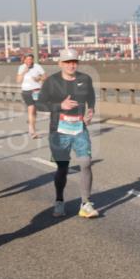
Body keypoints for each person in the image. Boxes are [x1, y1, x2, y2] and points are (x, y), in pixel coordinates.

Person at [38, 49, 98, 218]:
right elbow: (40, 104)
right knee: (62, 168)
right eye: (67, 62)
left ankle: (86, 203)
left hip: (79, 128)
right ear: (60, 64)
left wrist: (91, 110)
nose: (71, 65)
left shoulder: (85, 79)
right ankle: (59, 200)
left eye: (74, 62)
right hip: (59, 131)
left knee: (86, 162)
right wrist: (59, 106)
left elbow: (91, 97)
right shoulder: (51, 81)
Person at [16, 53, 45, 138]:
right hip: (26, 91)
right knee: (31, 108)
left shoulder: (37, 66)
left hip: (36, 91)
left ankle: (30, 125)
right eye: (27, 59)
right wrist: (24, 72)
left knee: (34, 111)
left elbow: (45, 77)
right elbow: (18, 80)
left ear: (33, 60)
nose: (29, 61)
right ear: (24, 60)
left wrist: (38, 78)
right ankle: (32, 131)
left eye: (30, 59)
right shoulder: (21, 67)